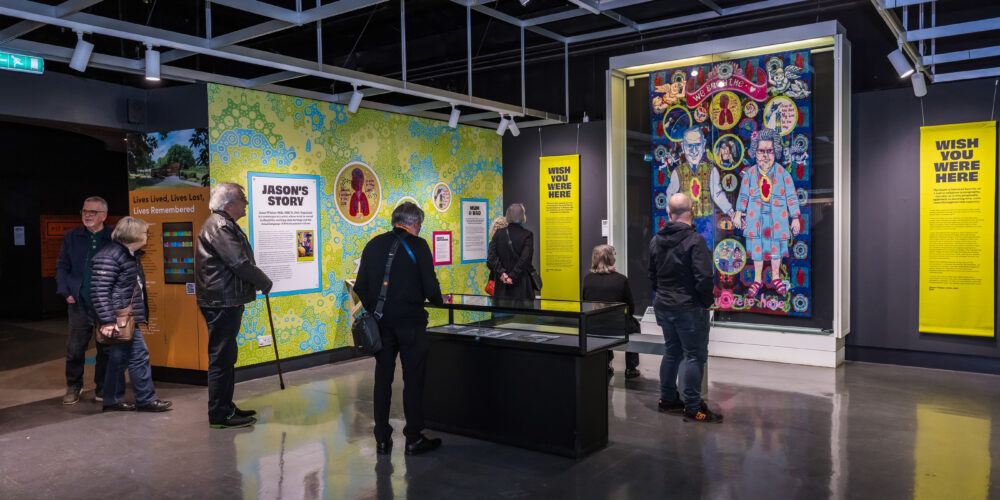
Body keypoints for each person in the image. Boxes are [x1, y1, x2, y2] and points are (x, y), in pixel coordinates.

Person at [354, 201, 444, 455]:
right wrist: (440, 301)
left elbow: (360, 285)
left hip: (381, 323)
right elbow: (430, 287)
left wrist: (377, 308)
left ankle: (382, 439)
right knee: (413, 379)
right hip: (411, 322)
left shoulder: (373, 245)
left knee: (382, 379)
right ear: (414, 223)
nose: (420, 229)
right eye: (420, 225)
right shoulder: (419, 245)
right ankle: (413, 438)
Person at [196, 182, 273, 429]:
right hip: (222, 302)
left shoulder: (221, 225)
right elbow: (239, 263)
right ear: (229, 204)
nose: (246, 204)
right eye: (242, 199)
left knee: (226, 356)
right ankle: (219, 414)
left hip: (224, 300)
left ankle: (226, 407)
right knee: (222, 357)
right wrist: (263, 281)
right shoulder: (220, 226)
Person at [648, 193, 723, 423]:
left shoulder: (655, 240)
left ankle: (668, 399)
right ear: (693, 211)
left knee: (672, 351)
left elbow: (652, 275)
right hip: (688, 307)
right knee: (694, 356)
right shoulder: (695, 241)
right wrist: (705, 302)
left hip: (664, 305)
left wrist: (663, 294)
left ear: (669, 214)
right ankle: (692, 407)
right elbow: (704, 278)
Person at [90, 216, 172, 413]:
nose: (147, 236)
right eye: (145, 233)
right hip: (119, 319)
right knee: (139, 355)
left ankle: (112, 400)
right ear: (134, 235)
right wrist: (108, 321)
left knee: (118, 358)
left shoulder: (127, 254)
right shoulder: (110, 256)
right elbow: (99, 291)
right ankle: (146, 400)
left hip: (124, 317)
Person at [55, 196, 113, 405]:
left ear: (104, 215)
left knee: (105, 348)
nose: (87, 215)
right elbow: (62, 265)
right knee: (75, 348)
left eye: (92, 212)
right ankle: (74, 385)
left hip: (106, 304)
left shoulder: (113, 236)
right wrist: (64, 289)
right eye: (84, 211)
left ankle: (103, 387)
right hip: (79, 302)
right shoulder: (72, 236)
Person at [733, 128, 802, 297]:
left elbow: (792, 196)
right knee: (757, 249)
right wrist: (738, 213)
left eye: (769, 151)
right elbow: (742, 196)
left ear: (775, 152)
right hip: (755, 219)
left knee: (776, 248)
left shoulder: (782, 173)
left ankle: (776, 277)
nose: (765, 155)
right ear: (755, 153)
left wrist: (795, 218)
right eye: (761, 151)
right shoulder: (749, 175)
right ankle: (757, 279)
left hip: (776, 219)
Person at [664, 127, 736, 249]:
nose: (693, 150)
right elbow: (670, 195)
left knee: (704, 254)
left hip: (706, 223)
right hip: (684, 223)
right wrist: (671, 220)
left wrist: (731, 212)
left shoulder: (711, 170)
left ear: (703, 146)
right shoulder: (678, 172)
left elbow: (717, 194)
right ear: (683, 147)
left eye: (697, 145)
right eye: (689, 146)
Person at [582, 244, 640, 378]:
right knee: (635, 324)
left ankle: (606, 363)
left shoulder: (587, 279)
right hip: (617, 326)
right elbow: (631, 308)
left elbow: (584, 302)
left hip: (593, 325)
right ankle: (631, 368)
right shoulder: (621, 279)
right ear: (610, 258)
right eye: (614, 253)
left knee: (602, 325)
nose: (615, 256)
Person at [487, 203, 536, 300]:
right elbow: (524, 259)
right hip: (522, 287)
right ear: (523, 216)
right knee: (523, 314)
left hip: (502, 288)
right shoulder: (527, 235)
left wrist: (503, 273)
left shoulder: (498, 234)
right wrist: (512, 276)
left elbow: (491, 257)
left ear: (508, 217)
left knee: (502, 313)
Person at [485, 216, 508, 294]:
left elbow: (489, 263)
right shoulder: (512, 242)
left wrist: (500, 270)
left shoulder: (493, 243)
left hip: (496, 281)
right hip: (510, 281)